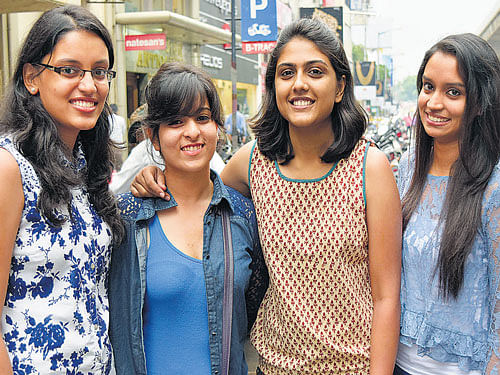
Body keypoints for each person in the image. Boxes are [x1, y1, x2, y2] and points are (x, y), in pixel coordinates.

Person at [131, 18, 402, 374]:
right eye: (286, 73)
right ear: (273, 86)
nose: (299, 84)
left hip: (351, 366)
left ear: (339, 87)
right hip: (272, 366)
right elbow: (199, 192)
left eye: (315, 71)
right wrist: (153, 176)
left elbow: (386, 298)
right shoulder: (253, 162)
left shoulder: (370, 168)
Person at [108, 62, 268, 375]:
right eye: (176, 121)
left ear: (218, 128)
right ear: (153, 137)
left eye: (203, 118)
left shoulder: (244, 214)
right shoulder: (126, 217)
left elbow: (254, 307)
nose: (192, 131)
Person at [0, 5, 124, 374]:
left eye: (99, 72)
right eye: (69, 70)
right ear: (32, 77)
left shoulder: (86, 168)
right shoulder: (10, 168)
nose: (89, 85)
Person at [394, 34, 500, 375]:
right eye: (428, 87)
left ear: (480, 102)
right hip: (396, 363)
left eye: (453, 92)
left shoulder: (494, 186)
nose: (434, 102)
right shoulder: (408, 168)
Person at [108, 103, 127, 169]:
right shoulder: (121, 119)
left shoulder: (107, 119)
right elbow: (123, 131)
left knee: (110, 164)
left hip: (110, 144)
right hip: (119, 144)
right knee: (119, 164)